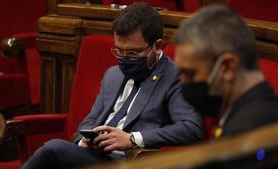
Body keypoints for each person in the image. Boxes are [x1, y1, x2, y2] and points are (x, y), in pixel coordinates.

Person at [22, 3, 202, 169]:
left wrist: (131, 139)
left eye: (133, 52)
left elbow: (191, 128)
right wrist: (87, 139)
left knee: (53, 149)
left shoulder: (175, 76)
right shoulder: (113, 74)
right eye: (119, 51)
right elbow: (89, 121)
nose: (124, 59)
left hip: (129, 161)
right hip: (94, 155)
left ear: (157, 46)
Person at [174, 5, 278, 139]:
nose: (183, 83)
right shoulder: (266, 108)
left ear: (228, 67)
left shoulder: (241, 136)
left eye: (190, 74)